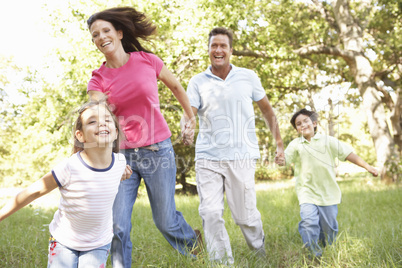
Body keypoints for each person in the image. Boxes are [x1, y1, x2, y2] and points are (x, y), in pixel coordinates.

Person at [86, 7, 201, 268]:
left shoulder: (146, 60)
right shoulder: (98, 78)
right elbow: (98, 112)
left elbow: (176, 86)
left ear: (118, 32)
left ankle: (194, 246)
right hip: (120, 158)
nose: (101, 37)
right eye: (95, 35)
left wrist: (189, 118)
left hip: (157, 151)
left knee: (165, 220)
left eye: (106, 31)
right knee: (117, 225)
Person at [186, 27, 285, 264]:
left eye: (222, 46)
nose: (218, 50)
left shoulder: (248, 76)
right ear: (208, 50)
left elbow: (267, 110)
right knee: (210, 213)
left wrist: (279, 144)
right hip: (208, 157)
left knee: (245, 216)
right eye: (213, 46)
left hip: (241, 156)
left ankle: (259, 251)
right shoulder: (197, 81)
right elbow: (189, 113)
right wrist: (187, 128)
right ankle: (222, 262)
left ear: (230, 50)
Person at [0, 101, 130, 267]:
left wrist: (122, 175)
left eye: (107, 119)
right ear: (80, 135)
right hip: (64, 241)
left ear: (115, 132)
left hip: (99, 242)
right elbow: (33, 192)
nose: (102, 123)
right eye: (92, 121)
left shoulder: (120, 162)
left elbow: (106, 178)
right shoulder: (70, 167)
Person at [276, 108, 378, 258]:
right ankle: (313, 255)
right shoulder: (296, 144)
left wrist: (368, 166)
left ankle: (328, 249)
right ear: (297, 129)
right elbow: (286, 159)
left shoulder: (328, 141)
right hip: (307, 192)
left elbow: (348, 154)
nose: (303, 125)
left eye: (306, 121)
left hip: (328, 193)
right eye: (298, 124)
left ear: (314, 123)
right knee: (308, 222)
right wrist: (280, 159)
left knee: (328, 228)